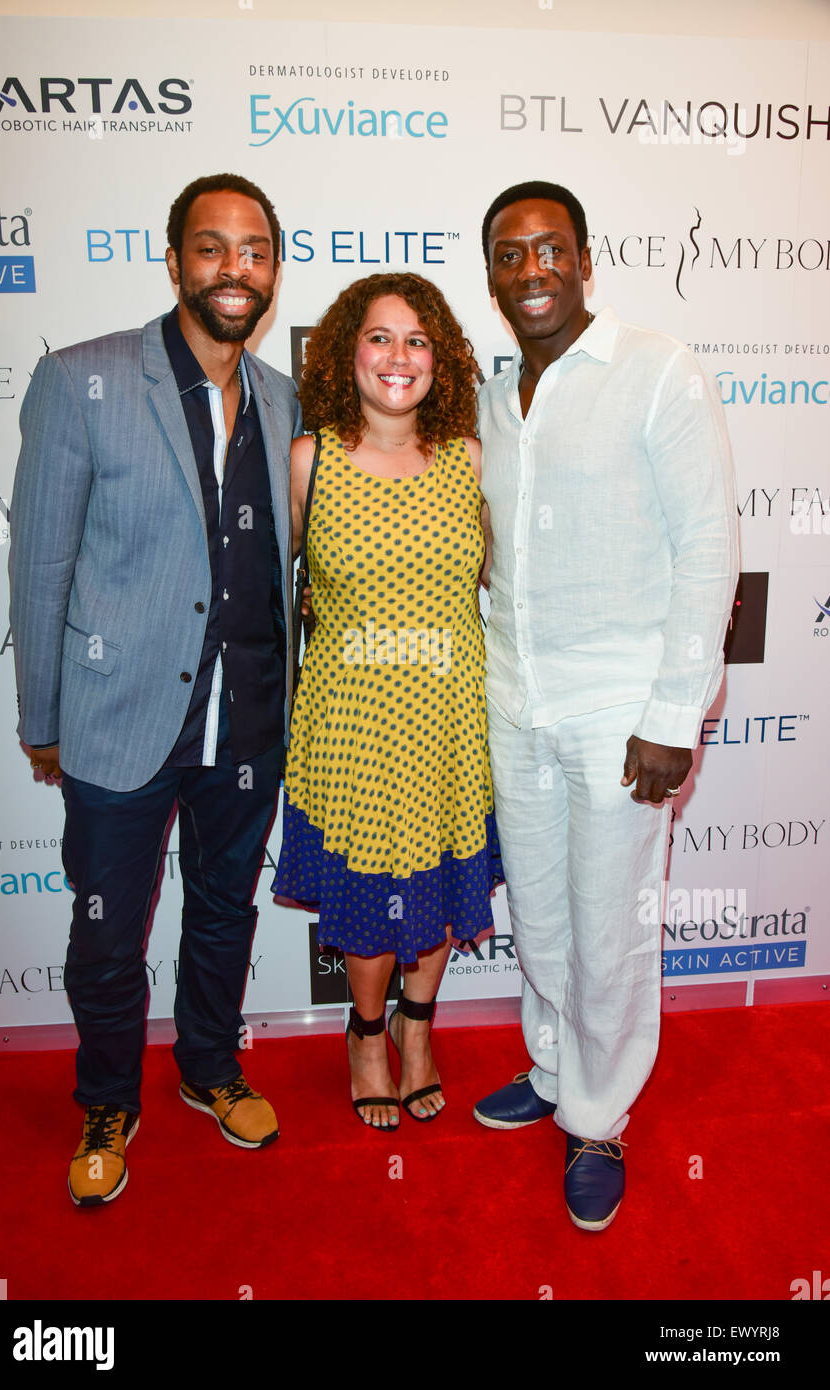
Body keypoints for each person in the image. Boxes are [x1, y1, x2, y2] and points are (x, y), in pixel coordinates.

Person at [8, 173, 301, 1206]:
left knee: (225, 909)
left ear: (273, 267)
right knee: (106, 926)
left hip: (249, 716)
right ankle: (106, 1098)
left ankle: (211, 1067)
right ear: (174, 260)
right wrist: (41, 716)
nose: (236, 267)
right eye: (213, 247)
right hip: (119, 715)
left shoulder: (281, 395)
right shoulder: (82, 379)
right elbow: (40, 565)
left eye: (255, 248)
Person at [473, 181, 738, 1230]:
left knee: (608, 921)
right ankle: (549, 1065)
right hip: (516, 696)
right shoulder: (498, 398)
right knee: (537, 905)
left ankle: (597, 1114)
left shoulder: (657, 371)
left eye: (550, 248)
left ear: (585, 259)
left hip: (623, 708)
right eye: (509, 253)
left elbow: (709, 546)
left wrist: (675, 712)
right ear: (492, 274)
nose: (531, 268)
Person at [273, 272, 501, 1129]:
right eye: (379, 337)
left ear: (438, 359)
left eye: (416, 340)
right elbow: (271, 588)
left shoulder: (471, 459)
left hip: (449, 718)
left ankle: (417, 1028)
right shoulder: (311, 458)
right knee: (369, 896)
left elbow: (505, 583)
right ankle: (365, 1032)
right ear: (346, 352)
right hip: (351, 722)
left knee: (436, 889)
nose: (397, 357)